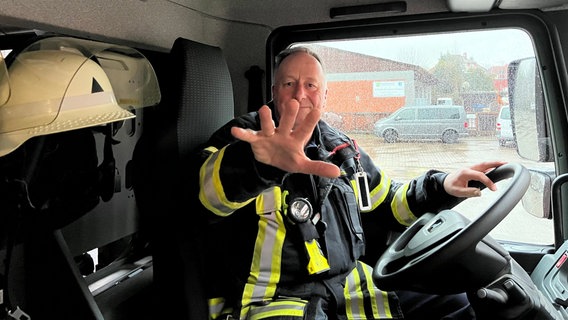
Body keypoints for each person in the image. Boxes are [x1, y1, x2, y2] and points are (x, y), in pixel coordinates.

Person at [195, 46, 503, 319]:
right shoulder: (245, 138)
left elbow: (389, 202)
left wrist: (442, 184)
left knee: (453, 300)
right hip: (272, 300)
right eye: (289, 84)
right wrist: (259, 164)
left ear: (325, 96)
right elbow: (203, 196)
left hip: (351, 288)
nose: (300, 94)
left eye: (311, 85)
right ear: (274, 91)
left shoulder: (342, 148)